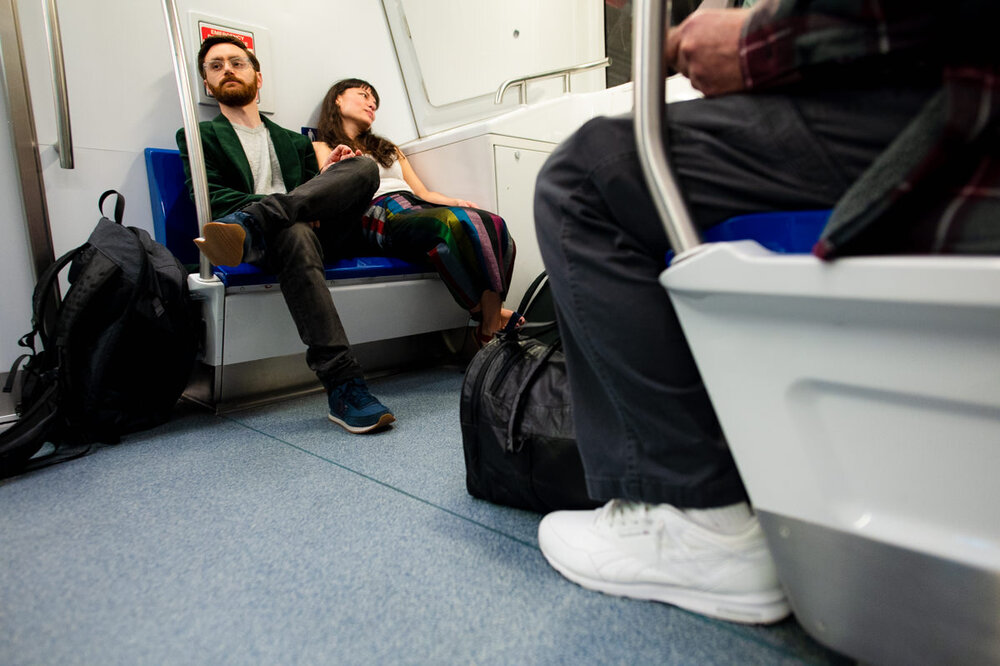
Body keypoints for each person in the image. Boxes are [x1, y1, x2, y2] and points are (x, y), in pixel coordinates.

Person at [533, 0, 999, 624]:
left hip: (958, 108)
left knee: (586, 180)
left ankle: (702, 521)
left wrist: (757, 42)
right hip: (940, 89)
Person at [176, 35, 394, 434]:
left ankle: (259, 218)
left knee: (363, 168)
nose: (227, 69)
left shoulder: (295, 141)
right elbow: (211, 199)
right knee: (292, 231)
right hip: (261, 243)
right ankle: (345, 386)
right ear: (207, 85)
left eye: (237, 62)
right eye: (216, 65)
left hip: (290, 230)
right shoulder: (198, 136)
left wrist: (327, 177)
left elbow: (316, 197)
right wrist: (295, 208)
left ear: (258, 78)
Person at [313, 79, 519, 347]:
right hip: (373, 211)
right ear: (337, 99)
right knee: (452, 226)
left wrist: (455, 201)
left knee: (493, 223)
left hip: (411, 204)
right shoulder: (323, 147)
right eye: (363, 95)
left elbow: (421, 192)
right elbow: (329, 193)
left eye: (374, 101)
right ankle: (489, 320)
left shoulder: (386, 148)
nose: (371, 103)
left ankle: (486, 325)